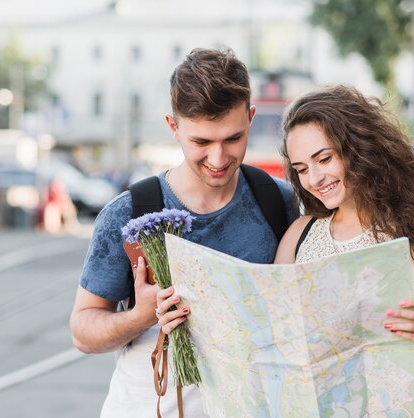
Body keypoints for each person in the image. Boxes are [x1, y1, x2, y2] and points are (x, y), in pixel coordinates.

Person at [69, 48, 299, 418]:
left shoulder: (279, 202)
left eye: (233, 138)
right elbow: (83, 331)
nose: (219, 157)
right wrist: (141, 315)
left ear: (251, 118)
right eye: (201, 142)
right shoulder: (128, 213)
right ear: (173, 126)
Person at [272, 85, 414, 417]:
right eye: (301, 169)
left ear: (357, 150)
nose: (314, 178)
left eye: (324, 158)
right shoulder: (298, 236)